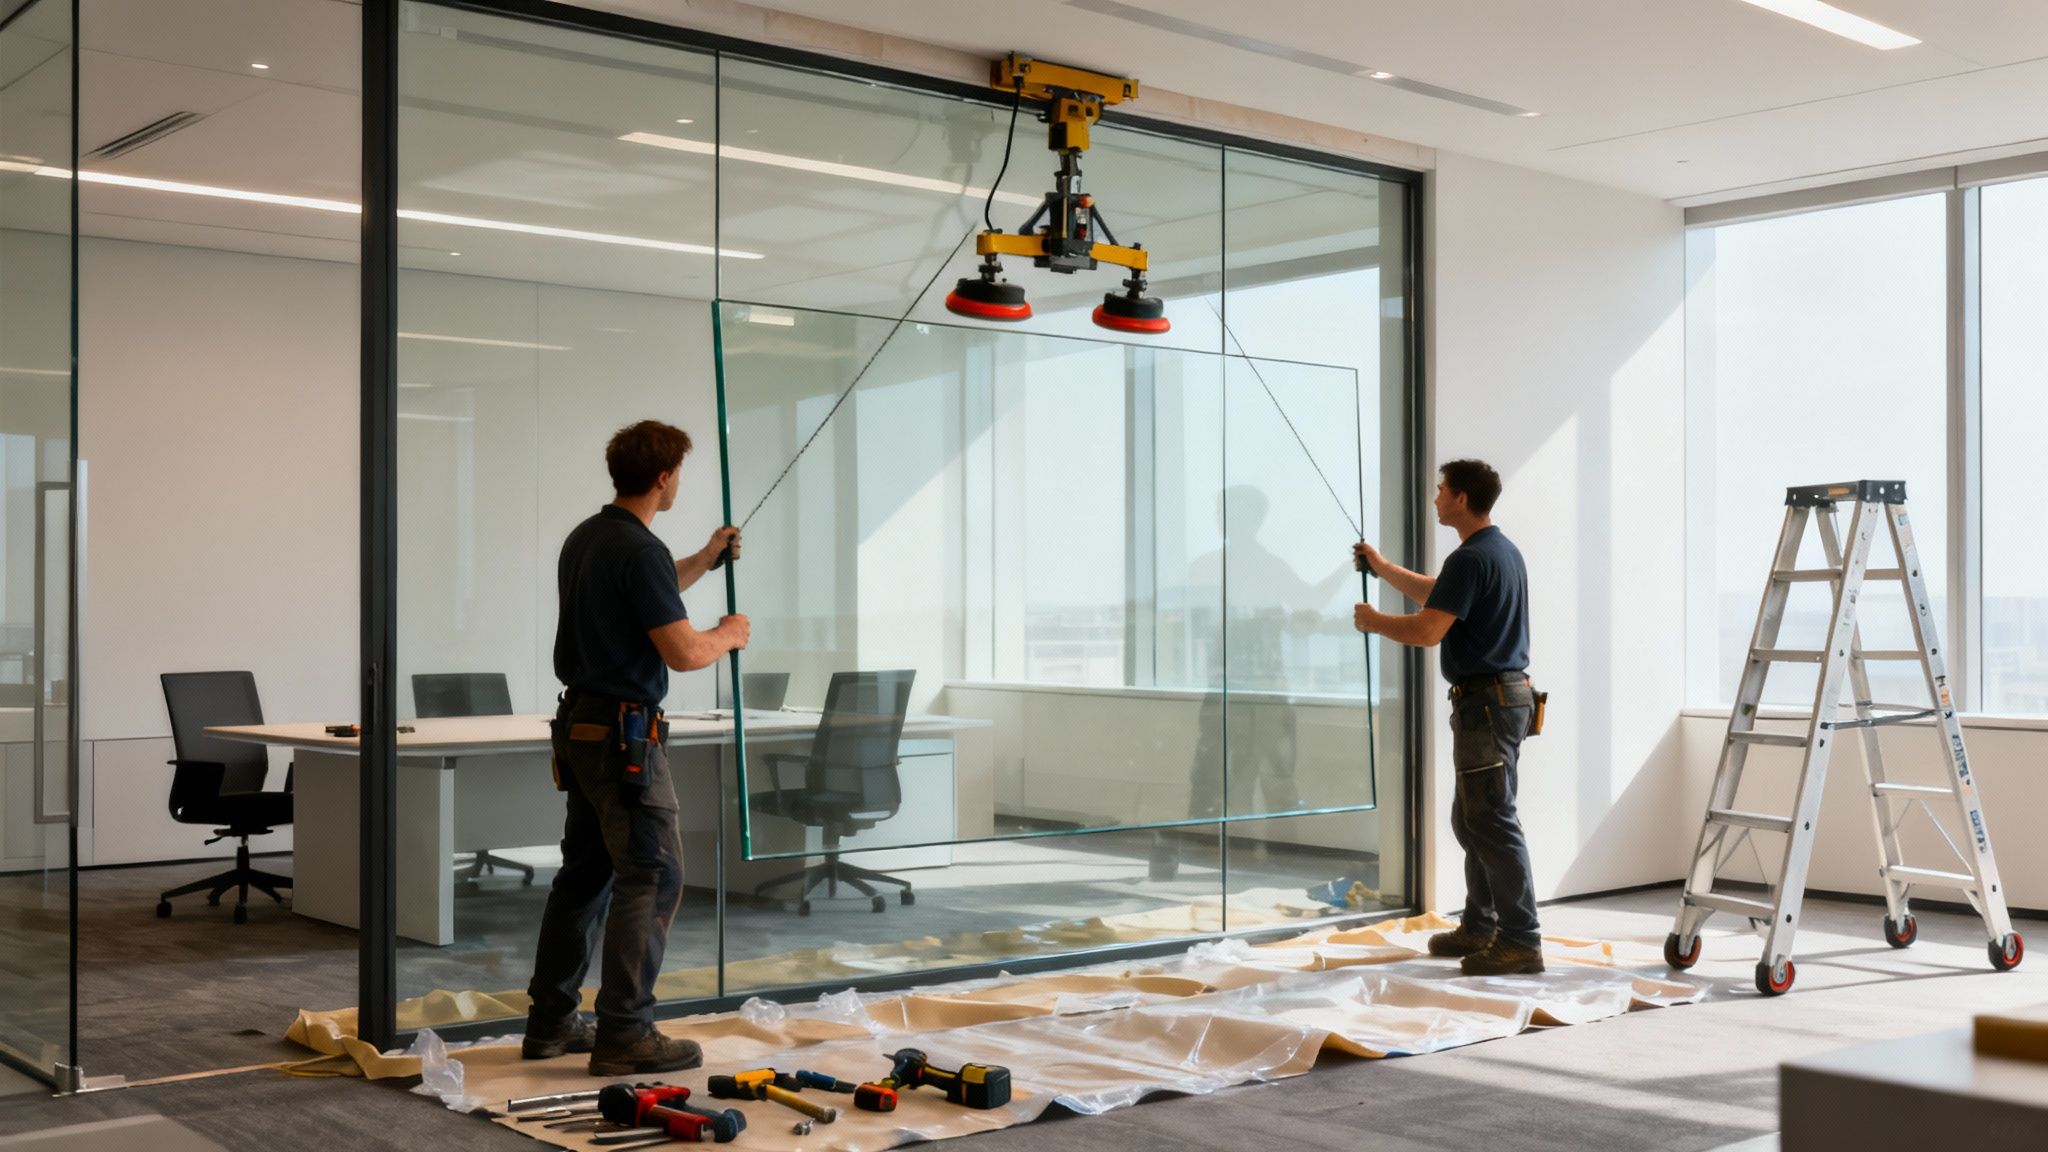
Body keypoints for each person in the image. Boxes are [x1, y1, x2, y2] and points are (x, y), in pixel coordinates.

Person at [522, 420, 751, 1075]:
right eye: (679, 472)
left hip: (583, 732)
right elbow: (683, 652)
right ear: (663, 476)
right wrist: (729, 634)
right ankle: (625, 1032)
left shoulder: (590, 538)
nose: (679, 481)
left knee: (585, 877)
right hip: (624, 739)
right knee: (653, 875)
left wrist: (707, 555)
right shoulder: (639, 549)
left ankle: (552, 1023)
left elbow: (651, 593)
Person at [1353, 459, 1543, 976]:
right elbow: (1440, 595)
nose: (1435, 498)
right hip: (1501, 701)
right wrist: (1383, 568)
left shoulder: (1472, 557)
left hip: (1486, 705)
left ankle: (1521, 940)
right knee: (1473, 818)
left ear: (1461, 498)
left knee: (1492, 821)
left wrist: (1373, 622)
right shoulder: (1497, 551)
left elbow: (1429, 629)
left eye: (1440, 490)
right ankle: (1480, 927)